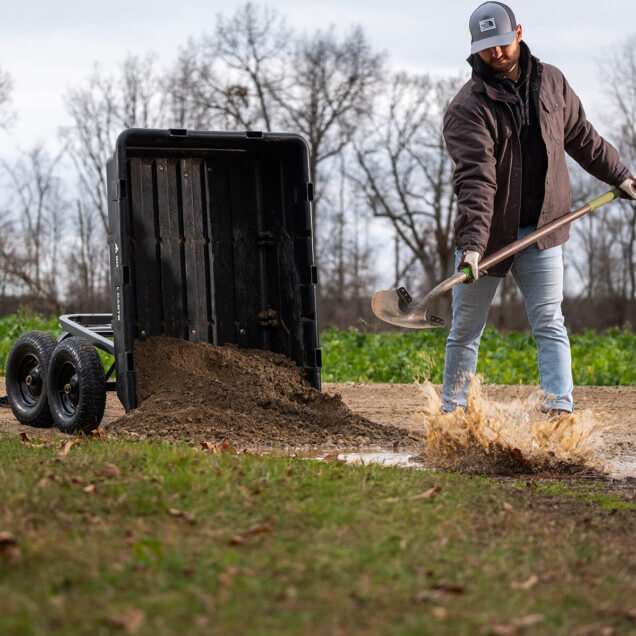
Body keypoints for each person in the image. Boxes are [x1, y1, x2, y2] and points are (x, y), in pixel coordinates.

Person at [441, 1, 636, 414]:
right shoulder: (467, 108)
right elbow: (476, 181)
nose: (495, 53)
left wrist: (619, 174)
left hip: (544, 230)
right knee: (465, 330)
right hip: (489, 238)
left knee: (549, 322)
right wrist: (472, 246)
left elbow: (582, 137)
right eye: (485, 46)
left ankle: (558, 410)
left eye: (501, 43)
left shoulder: (551, 82)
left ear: (518, 33)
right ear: (474, 48)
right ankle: (453, 416)